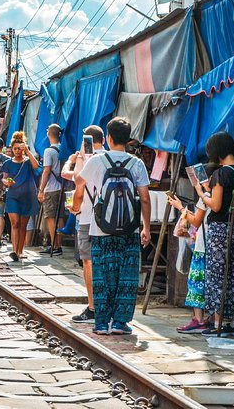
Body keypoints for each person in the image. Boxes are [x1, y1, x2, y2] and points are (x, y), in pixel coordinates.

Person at [71, 117, 151, 335]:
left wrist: (76, 205)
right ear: (128, 139)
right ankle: (119, 323)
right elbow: (144, 198)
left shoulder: (96, 161)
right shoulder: (137, 163)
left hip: (100, 229)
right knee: (126, 275)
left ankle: (100, 323)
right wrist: (146, 227)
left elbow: (79, 184)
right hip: (129, 229)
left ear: (108, 138)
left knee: (102, 275)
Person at [194, 132, 234, 337]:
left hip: (220, 229)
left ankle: (218, 322)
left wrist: (202, 194)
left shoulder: (220, 174)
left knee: (217, 276)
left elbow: (216, 206)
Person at [167, 162, 218, 333]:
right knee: (210, 283)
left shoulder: (206, 197)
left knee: (197, 283)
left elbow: (196, 220)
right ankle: (209, 319)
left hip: (203, 247)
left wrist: (180, 207)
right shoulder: (217, 197)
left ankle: (198, 319)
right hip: (212, 245)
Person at [61, 125, 105, 324]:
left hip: (88, 217)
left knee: (89, 262)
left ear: (86, 141)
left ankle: (93, 306)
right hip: (111, 219)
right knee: (106, 263)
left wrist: (77, 157)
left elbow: (76, 178)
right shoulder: (113, 158)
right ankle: (107, 306)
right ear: (104, 140)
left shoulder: (87, 160)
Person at [1, 131, 39, 262]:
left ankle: (20, 251)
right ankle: (14, 250)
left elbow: (36, 166)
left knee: (23, 225)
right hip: (13, 196)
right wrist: (6, 182)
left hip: (27, 196)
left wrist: (28, 152)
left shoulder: (28, 162)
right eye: (15, 148)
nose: (17, 151)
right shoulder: (7, 163)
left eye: (19, 148)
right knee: (15, 223)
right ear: (12, 149)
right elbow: (4, 179)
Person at [38, 124, 66, 256]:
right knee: (60, 217)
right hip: (63, 188)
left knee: (50, 217)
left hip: (51, 188)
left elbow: (46, 170)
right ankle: (59, 245)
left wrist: (41, 189)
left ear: (48, 134)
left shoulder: (48, 151)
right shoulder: (64, 149)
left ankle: (54, 245)